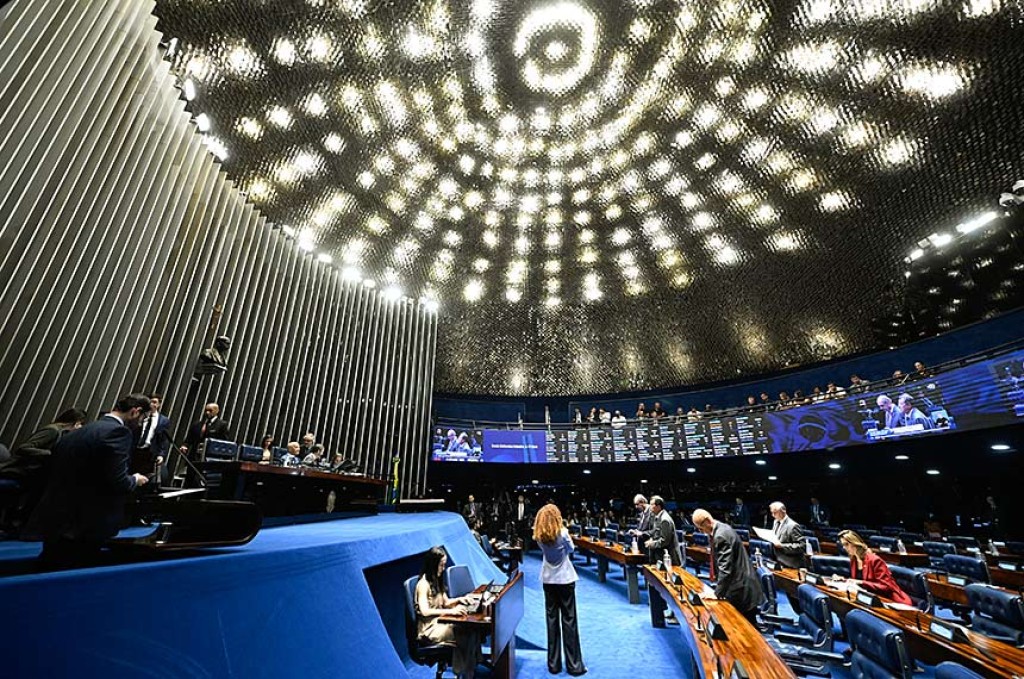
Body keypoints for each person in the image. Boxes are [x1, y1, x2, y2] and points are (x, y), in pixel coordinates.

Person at [27, 394, 151, 568]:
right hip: (86, 522)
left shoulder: (77, 432)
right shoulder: (118, 433)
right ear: (135, 412)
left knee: (50, 567)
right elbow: (118, 480)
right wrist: (135, 479)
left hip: (57, 518)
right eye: (143, 418)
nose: (140, 423)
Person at [0, 408, 87, 529]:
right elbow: (24, 448)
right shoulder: (52, 431)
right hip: (19, 472)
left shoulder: (61, 434)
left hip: (31, 474)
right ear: (76, 423)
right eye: (81, 424)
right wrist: (51, 454)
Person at [414, 546, 482, 679]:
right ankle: (464, 671)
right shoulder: (423, 584)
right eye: (441, 565)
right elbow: (425, 611)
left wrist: (460, 599)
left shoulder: (437, 580)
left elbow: (446, 602)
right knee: (463, 631)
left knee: (471, 628)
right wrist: (451, 611)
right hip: (430, 629)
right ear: (433, 564)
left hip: (440, 622)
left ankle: (470, 667)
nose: (443, 568)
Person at [534, 504, 586, 676]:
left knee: (552, 620)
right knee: (569, 620)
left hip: (548, 580)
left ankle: (553, 664)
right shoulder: (562, 533)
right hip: (565, 579)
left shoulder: (539, 535)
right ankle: (574, 665)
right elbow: (571, 549)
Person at [692, 508, 764, 624]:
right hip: (740, 583)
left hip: (741, 587)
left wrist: (716, 593)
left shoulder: (721, 536)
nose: (701, 532)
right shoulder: (722, 528)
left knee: (745, 626)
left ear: (708, 521)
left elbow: (725, 568)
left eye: (701, 528)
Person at [833, 531, 913, 605]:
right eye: (843, 545)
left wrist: (861, 582)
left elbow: (886, 586)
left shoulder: (874, 560)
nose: (844, 547)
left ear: (855, 543)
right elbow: (857, 581)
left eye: (846, 544)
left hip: (889, 600)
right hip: (869, 599)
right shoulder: (854, 559)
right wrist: (844, 580)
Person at [181, 403, 231, 485]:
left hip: (209, 459)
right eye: (206, 410)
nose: (207, 413)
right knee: (189, 480)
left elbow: (224, 443)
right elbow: (189, 439)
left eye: (210, 411)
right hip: (194, 458)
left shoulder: (222, 425)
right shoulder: (197, 424)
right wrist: (184, 446)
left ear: (217, 411)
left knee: (202, 482)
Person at [136, 395, 171, 485]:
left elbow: (163, 439)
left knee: (147, 478)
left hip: (150, 452)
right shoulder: (140, 416)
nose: (152, 404)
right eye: (150, 402)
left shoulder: (163, 420)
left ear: (159, 404)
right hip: (136, 450)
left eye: (155, 402)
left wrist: (161, 454)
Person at [644, 496, 682, 566]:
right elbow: (656, 533)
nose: (650, 507)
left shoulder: (665, 520)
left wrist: (652, 544)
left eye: (652, 504)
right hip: (661, 555)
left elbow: (664, 541)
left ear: (658, 506)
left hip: (670, 558)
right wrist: (652, 539)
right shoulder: (658, 517)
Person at [768, 502, 807, 569]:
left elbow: (802, 546)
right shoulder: (775, 522)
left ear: (783, 511)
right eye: (772, 513)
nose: (773, 515)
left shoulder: (793, 525)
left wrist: (782, 546)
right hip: (779, 561)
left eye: (775, 512)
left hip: (792, 564)